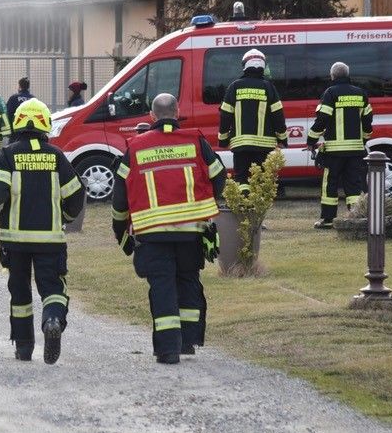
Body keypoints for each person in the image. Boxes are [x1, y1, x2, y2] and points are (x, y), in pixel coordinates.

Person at [113, 93, 225, 365]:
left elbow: (120, 196)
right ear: (177, 112)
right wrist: (203, 200)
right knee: (188, 280)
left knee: (162, 285)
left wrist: (121, 231)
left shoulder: (136, 147)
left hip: (152, 232)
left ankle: (168, 349)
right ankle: (187, 342)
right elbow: (218, 176)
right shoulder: (196, 141)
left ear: (152, 116)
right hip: (191, 230)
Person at [0, 98, 84, 363]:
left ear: (17, 122)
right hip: (49, 240)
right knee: (52, 287)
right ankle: (52, 320)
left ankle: (24, 348)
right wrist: (66, 216)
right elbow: (75, 195)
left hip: (14, 241)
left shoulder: (7, 155)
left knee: (20, 291)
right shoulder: (56, 156)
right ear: (45, 124)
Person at [307, 61, 374, 229]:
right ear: (347, 75)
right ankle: (357, 218)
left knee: (330, 185)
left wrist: (311, 139)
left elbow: (322, 119)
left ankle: (328, 220)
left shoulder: (330, 93)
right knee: (354, 185)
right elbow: (367, 121)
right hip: (355, 150)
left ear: (332, 76)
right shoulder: (361, 93)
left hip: (334, 152)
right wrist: (363, 140)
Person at [218, 48, 286, 191]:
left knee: (242, 178)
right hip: (264, 145)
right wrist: (282, 138)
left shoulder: (234, 87)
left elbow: (225, 115)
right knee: (260, 178)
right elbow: (278, 115)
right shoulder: (269, 87)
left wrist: (223, 139)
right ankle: (257, 208)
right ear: (263, 66)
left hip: (240, 144)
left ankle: (244, 206)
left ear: (245, 65)